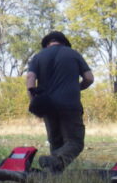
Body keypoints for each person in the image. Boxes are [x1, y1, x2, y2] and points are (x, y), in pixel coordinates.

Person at [25, 30, 94, 174]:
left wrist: (34, 102)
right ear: (64, 43)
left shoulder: (38, 57)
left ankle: (53, 175)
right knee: (75, 142)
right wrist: (77, 88)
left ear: (46, 44)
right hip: (70, 105)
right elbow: (89, 78)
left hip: (47, 105)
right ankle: (55, 161)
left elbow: (30, 79)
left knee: (55, 143)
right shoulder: (73, 54)